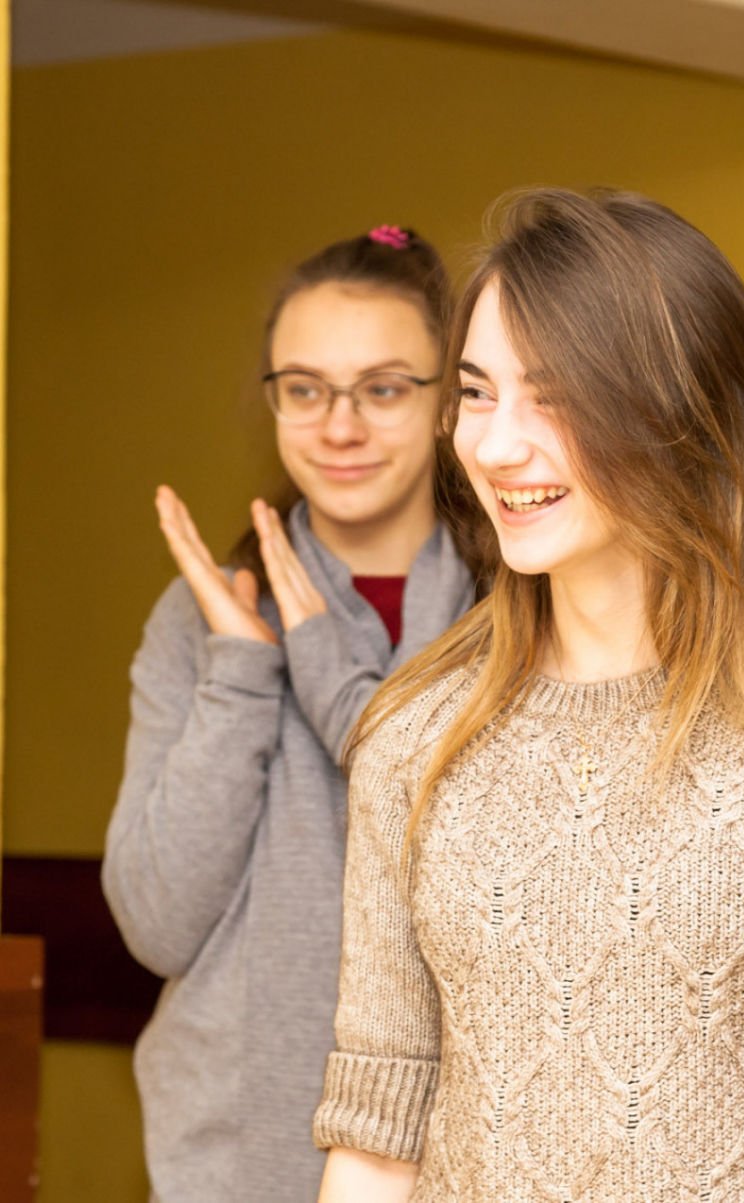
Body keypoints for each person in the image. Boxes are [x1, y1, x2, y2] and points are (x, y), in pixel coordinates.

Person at [311, 188, 744, 1202]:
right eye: (477, 392)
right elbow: (377, 1139)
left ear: (679, 411)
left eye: (551, 397)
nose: (494, 445)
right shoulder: (413, 735)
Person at [104, 227, 480, 1201]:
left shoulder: (520, 617)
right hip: (234, 1163)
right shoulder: (200, 618)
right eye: (305, 389)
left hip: (474, 1161)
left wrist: (327, 679)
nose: (338, 427)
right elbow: (154, 924)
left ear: (449, 401)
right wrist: (240, 673)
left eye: (383, 389)